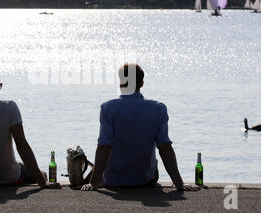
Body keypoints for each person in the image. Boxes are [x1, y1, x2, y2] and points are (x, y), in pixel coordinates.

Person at [81, 63, 199, 192]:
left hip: (113, 180)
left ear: (121, 83)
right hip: (145, 179)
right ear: (141, 83)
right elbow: (165, 148)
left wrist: (93, 183)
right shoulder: (158, 109)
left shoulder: (108, 108)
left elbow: (104, 147)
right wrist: (179, 184)